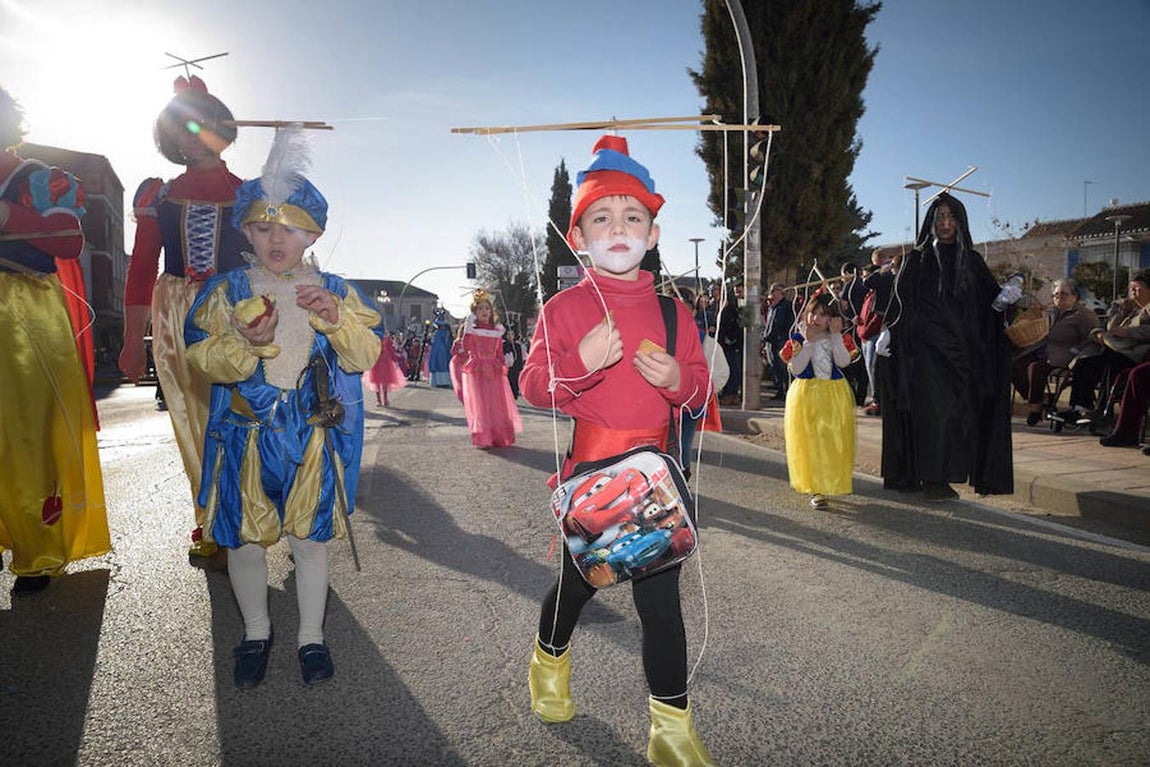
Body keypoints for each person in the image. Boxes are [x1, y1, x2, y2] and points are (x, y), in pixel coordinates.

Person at [519, 134, 714, 766]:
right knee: (578, 587)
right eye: (601, 217)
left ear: (653, 234)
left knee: (661, 606)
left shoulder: (675, 313)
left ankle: (671, 731)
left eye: (633, 216)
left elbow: (701, 390)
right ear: (579, 237)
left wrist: (678, 381)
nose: (619, 228)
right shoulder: (562, 309)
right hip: (593, 480)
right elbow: (532, 385)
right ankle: (548, 663)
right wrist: (579, 363)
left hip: (656, 481)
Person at [183, 128, 383, 688]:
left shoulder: (334, 288)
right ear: (246, 230)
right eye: (264, 227)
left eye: (290, 229)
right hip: (246, 433)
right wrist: (245, 342)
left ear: (311, 233)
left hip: (310, 435)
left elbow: (365, 353)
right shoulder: (228, 290)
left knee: (309, 540)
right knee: (244, 541)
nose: (277, 239)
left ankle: (311, 637)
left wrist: (335, 319)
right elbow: (201, 357)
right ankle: (255, 630)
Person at [119, 76, 250, 560]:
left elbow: (276, 259)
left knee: (245, 417)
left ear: (223, 128)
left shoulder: (251, 194)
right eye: (180, 127)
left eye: (201, 123)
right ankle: (214, 517)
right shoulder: (159, 195)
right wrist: (133, 341)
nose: (191, 135)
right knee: (197, 420)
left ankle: (251, 512)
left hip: (239, 316)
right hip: (179, 319)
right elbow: (140, 270)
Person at [0, 86, 110, 592]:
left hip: (22, 310)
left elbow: (68, 241)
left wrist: (8, 217)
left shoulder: (40, 179)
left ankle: (36, 551)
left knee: (25, 432)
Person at [880, 192, 1014, 501]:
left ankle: (943, 474)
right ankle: (933, 478)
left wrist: (1004, 301)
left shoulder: (973, 262)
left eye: (951, 217)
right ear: (931, 222)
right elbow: (900, 303)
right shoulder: (917, 260)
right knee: (934, 414)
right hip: (925, 354)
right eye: (940, 217)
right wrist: (889, 331)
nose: (945, 223)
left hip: (963, 356)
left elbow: (989, 304)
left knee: (958, 416)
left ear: (960, 222)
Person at [779, 292, 856, 509]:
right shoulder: (798, 338)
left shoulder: (837, 337)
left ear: (832, 318)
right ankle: (816, 488)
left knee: (831, 440)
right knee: (810, 441)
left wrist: (836, 337)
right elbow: (796, 369)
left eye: (823, 314)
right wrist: (808, 343)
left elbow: (844, 362)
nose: (816, 318)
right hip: (806, 396)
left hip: (834, 396)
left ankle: (829, 480)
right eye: (812, 313)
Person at [1059, 272, 1150, 426]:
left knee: (1110, 362)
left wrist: (1127, 332)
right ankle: (1080, 408)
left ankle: (1103, 411)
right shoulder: (1131, 309)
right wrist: (1121, 311)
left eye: (1137, 288)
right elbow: (1110, 327)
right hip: (1116, 349)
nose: (1133, 292)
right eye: (1131, 288)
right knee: (1085, 362)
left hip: (1135, 355)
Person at [1010, 278, 1098, 425]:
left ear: (1075, 296)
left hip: (1065, 356)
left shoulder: (1083, 315)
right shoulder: (1051, 312)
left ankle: (1035, 409)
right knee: (1013, 365)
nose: (1058, 297)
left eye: (1063, 294)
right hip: (1044, 352)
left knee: (1035, 368)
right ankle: (1043, 400)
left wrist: (1075, 352)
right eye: (1056, 295)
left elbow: (1092, 337)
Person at [451, 289, 522, 448]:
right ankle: (484, 436)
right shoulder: (473, 330)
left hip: (494, 370)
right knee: (480, 404)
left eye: (487, 308)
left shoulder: (496, 331)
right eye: (480, 308)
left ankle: (498, 436)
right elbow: (466, 347)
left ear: (491, 311)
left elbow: (499, 352)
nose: (484, 311)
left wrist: (504, 363)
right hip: (477, 370)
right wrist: (467, 331)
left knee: (497, 405)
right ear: (474, 312)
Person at [762, 281, 795, 400]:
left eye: (773, 290)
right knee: (774, 366)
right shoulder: (772, 307)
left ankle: (787, 391)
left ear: (780, 291)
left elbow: (786, 323)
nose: (771, 293)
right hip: (771, 341)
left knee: (783, 367)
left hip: (781, 340)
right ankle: (780, 389)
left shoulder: (787, 306)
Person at [364, 331, 407, 408]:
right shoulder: (373, 337)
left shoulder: (387, 338)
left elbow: (390, 350)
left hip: (385, 361)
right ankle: (378, 400)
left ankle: (385, 399)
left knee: (385, 381)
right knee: (376, 381)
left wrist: (395, 360)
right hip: (376, 361)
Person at [716, 290, 742, 405]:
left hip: (730, 345)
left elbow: (734, 327)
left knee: (732, 370)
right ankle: (729, 393)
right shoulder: (722, 310)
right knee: (727, 369)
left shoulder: (732, 312)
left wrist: (730, 338)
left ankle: (731, 394)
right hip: (723, 344)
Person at [427, 307, 454, 388]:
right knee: (438, 363)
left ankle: (444, 381)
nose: (440, 327)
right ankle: (441, 381)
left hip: (443, 353)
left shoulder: (444, 334)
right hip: (438, 352)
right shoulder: (437, 334)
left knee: (442, 363)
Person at [502, 325, 526, 399]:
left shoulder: (517, 346)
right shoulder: (503, 346)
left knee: (514, 388)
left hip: (515, 370)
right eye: (508, 334)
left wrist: (520, 368)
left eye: (512, 334)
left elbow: (520, 358)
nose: (510, 336)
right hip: (506, 370)